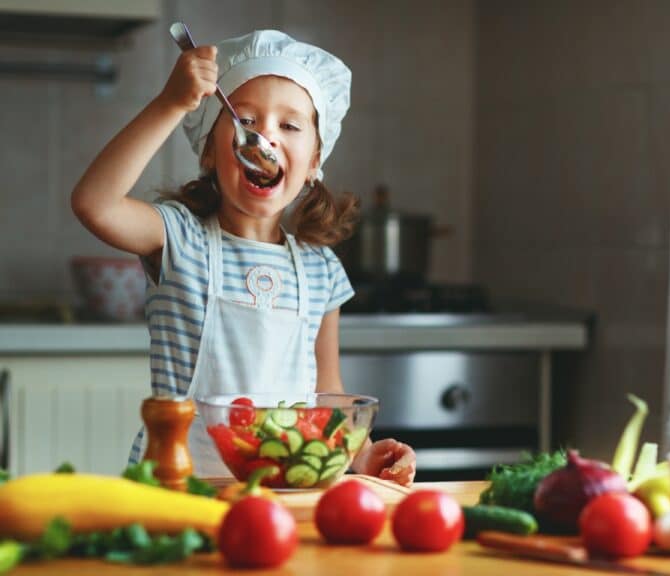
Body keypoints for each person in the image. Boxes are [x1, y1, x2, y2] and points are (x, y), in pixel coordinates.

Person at [71, 29, 416, 486]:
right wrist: (171, 104)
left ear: (314, 161)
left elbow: (326, 391)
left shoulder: (321, 269)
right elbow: (94, 203)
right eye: (246, 121)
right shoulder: (179, 238)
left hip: (279, 492)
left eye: (290, 126)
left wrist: (363, 455)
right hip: (178, 487)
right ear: (211, 152)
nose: (266, 137)